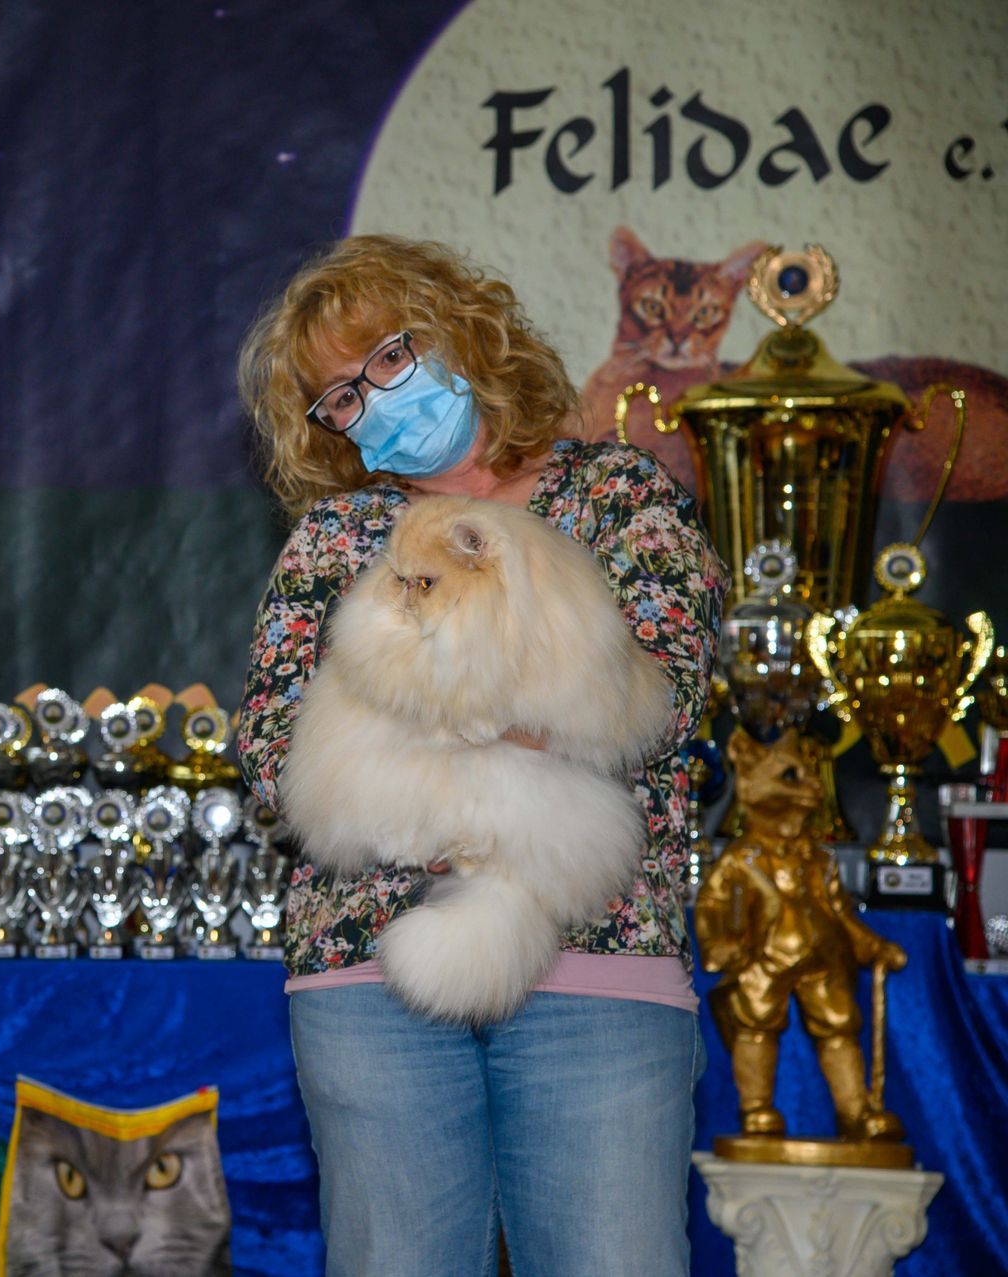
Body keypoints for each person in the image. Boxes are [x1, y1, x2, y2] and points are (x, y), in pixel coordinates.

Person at [234, 234, 726, 1277]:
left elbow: (667, 693)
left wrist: (430, 718)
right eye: (340, 398)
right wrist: (497, 724)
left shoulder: (619, 496)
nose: (373, 400)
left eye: (388, 359)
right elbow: (274, 748)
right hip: (367, 957)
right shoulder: (334, 539)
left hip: (596, 943)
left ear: (461, 333)